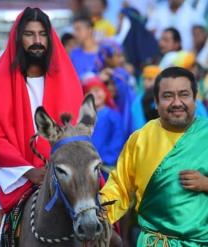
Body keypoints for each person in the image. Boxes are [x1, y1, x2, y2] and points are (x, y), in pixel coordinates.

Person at [0, 7, 84, 246]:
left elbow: (75, 135)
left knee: (107, 232)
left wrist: (55, 169)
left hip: (63, 172)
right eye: (29, 34)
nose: (37, 41)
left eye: (43, 34)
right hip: (8, 175)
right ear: (18, 38)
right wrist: (27, 171)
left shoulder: (69, 81)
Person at [101, 66, 208, 245]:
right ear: (156, 102)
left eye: (184, 94)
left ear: (195, 99)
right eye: (167, 96)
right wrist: (96, 215)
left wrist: (206, 184)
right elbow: (119, 188)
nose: (176, 102)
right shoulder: (141, 139)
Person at [83, 77, 124, 180]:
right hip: (86, 165)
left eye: (97, 90)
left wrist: (107, 159)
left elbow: (117, 140)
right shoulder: (83, 117)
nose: (94, 95)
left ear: (105, 92)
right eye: (90, 92)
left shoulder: (113, 116)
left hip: (105, 167)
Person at [70, 15, 98, 80]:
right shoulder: (74, 54)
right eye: (74, 30)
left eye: (78, 29)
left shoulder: (104, 53)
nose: (74, 33)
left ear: (90, 30)